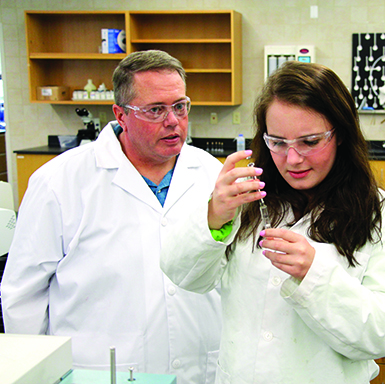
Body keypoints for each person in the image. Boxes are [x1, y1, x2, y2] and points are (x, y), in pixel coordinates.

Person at [160, 61, 385, 383]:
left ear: (340, 134)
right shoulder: (245, 200)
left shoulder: (379, 213)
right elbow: (183, 275)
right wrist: (214, 216)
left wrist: (315, 275)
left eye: (310, 142)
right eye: (278, 143)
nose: (293, 159)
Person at [1, 50, 223, 384]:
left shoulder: (211, 173)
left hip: (201, 368)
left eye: (180, 106)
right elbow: (23, 294)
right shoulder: (59, 182)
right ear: (120, 114)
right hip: (99, 371)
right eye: (155, 110)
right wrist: (38, 375)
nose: (172, 121)